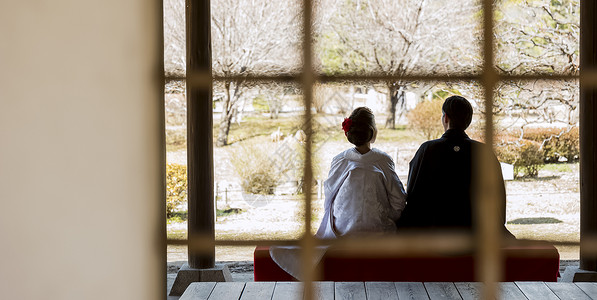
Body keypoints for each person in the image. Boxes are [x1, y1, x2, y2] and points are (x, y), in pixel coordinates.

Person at [270, 107, 407, 279]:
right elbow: (399, 200)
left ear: (348, 133)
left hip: (343, 231)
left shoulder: (340, 160)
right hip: (378, 231)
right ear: (373, 133)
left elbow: (329, 196)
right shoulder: (383, 160)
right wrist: (388, 217)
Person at [396, 96, 512, 235]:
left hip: (434, 236)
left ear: (445, 118)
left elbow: (414, 197)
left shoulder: (427, 150)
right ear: (468, 121)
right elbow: (498, 201)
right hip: (477, 235)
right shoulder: (484, 152)